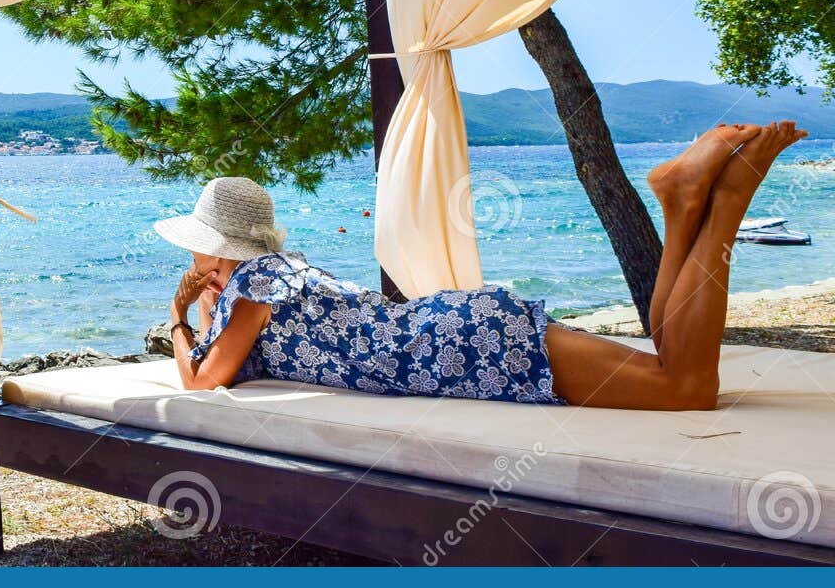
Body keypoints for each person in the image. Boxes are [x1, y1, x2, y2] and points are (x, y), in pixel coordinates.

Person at [157, 122, 806, 410]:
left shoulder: (253, 287)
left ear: (220, 249)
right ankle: (682, 205)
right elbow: (242, 350)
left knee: (685, 388)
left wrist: (177, 319)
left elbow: (202, 379)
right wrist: (208, 300)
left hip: (458, 350)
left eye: (196, 246)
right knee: (673, 366)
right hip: (455, 325)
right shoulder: (285, 270)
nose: (190, 257)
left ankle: (723, 202)